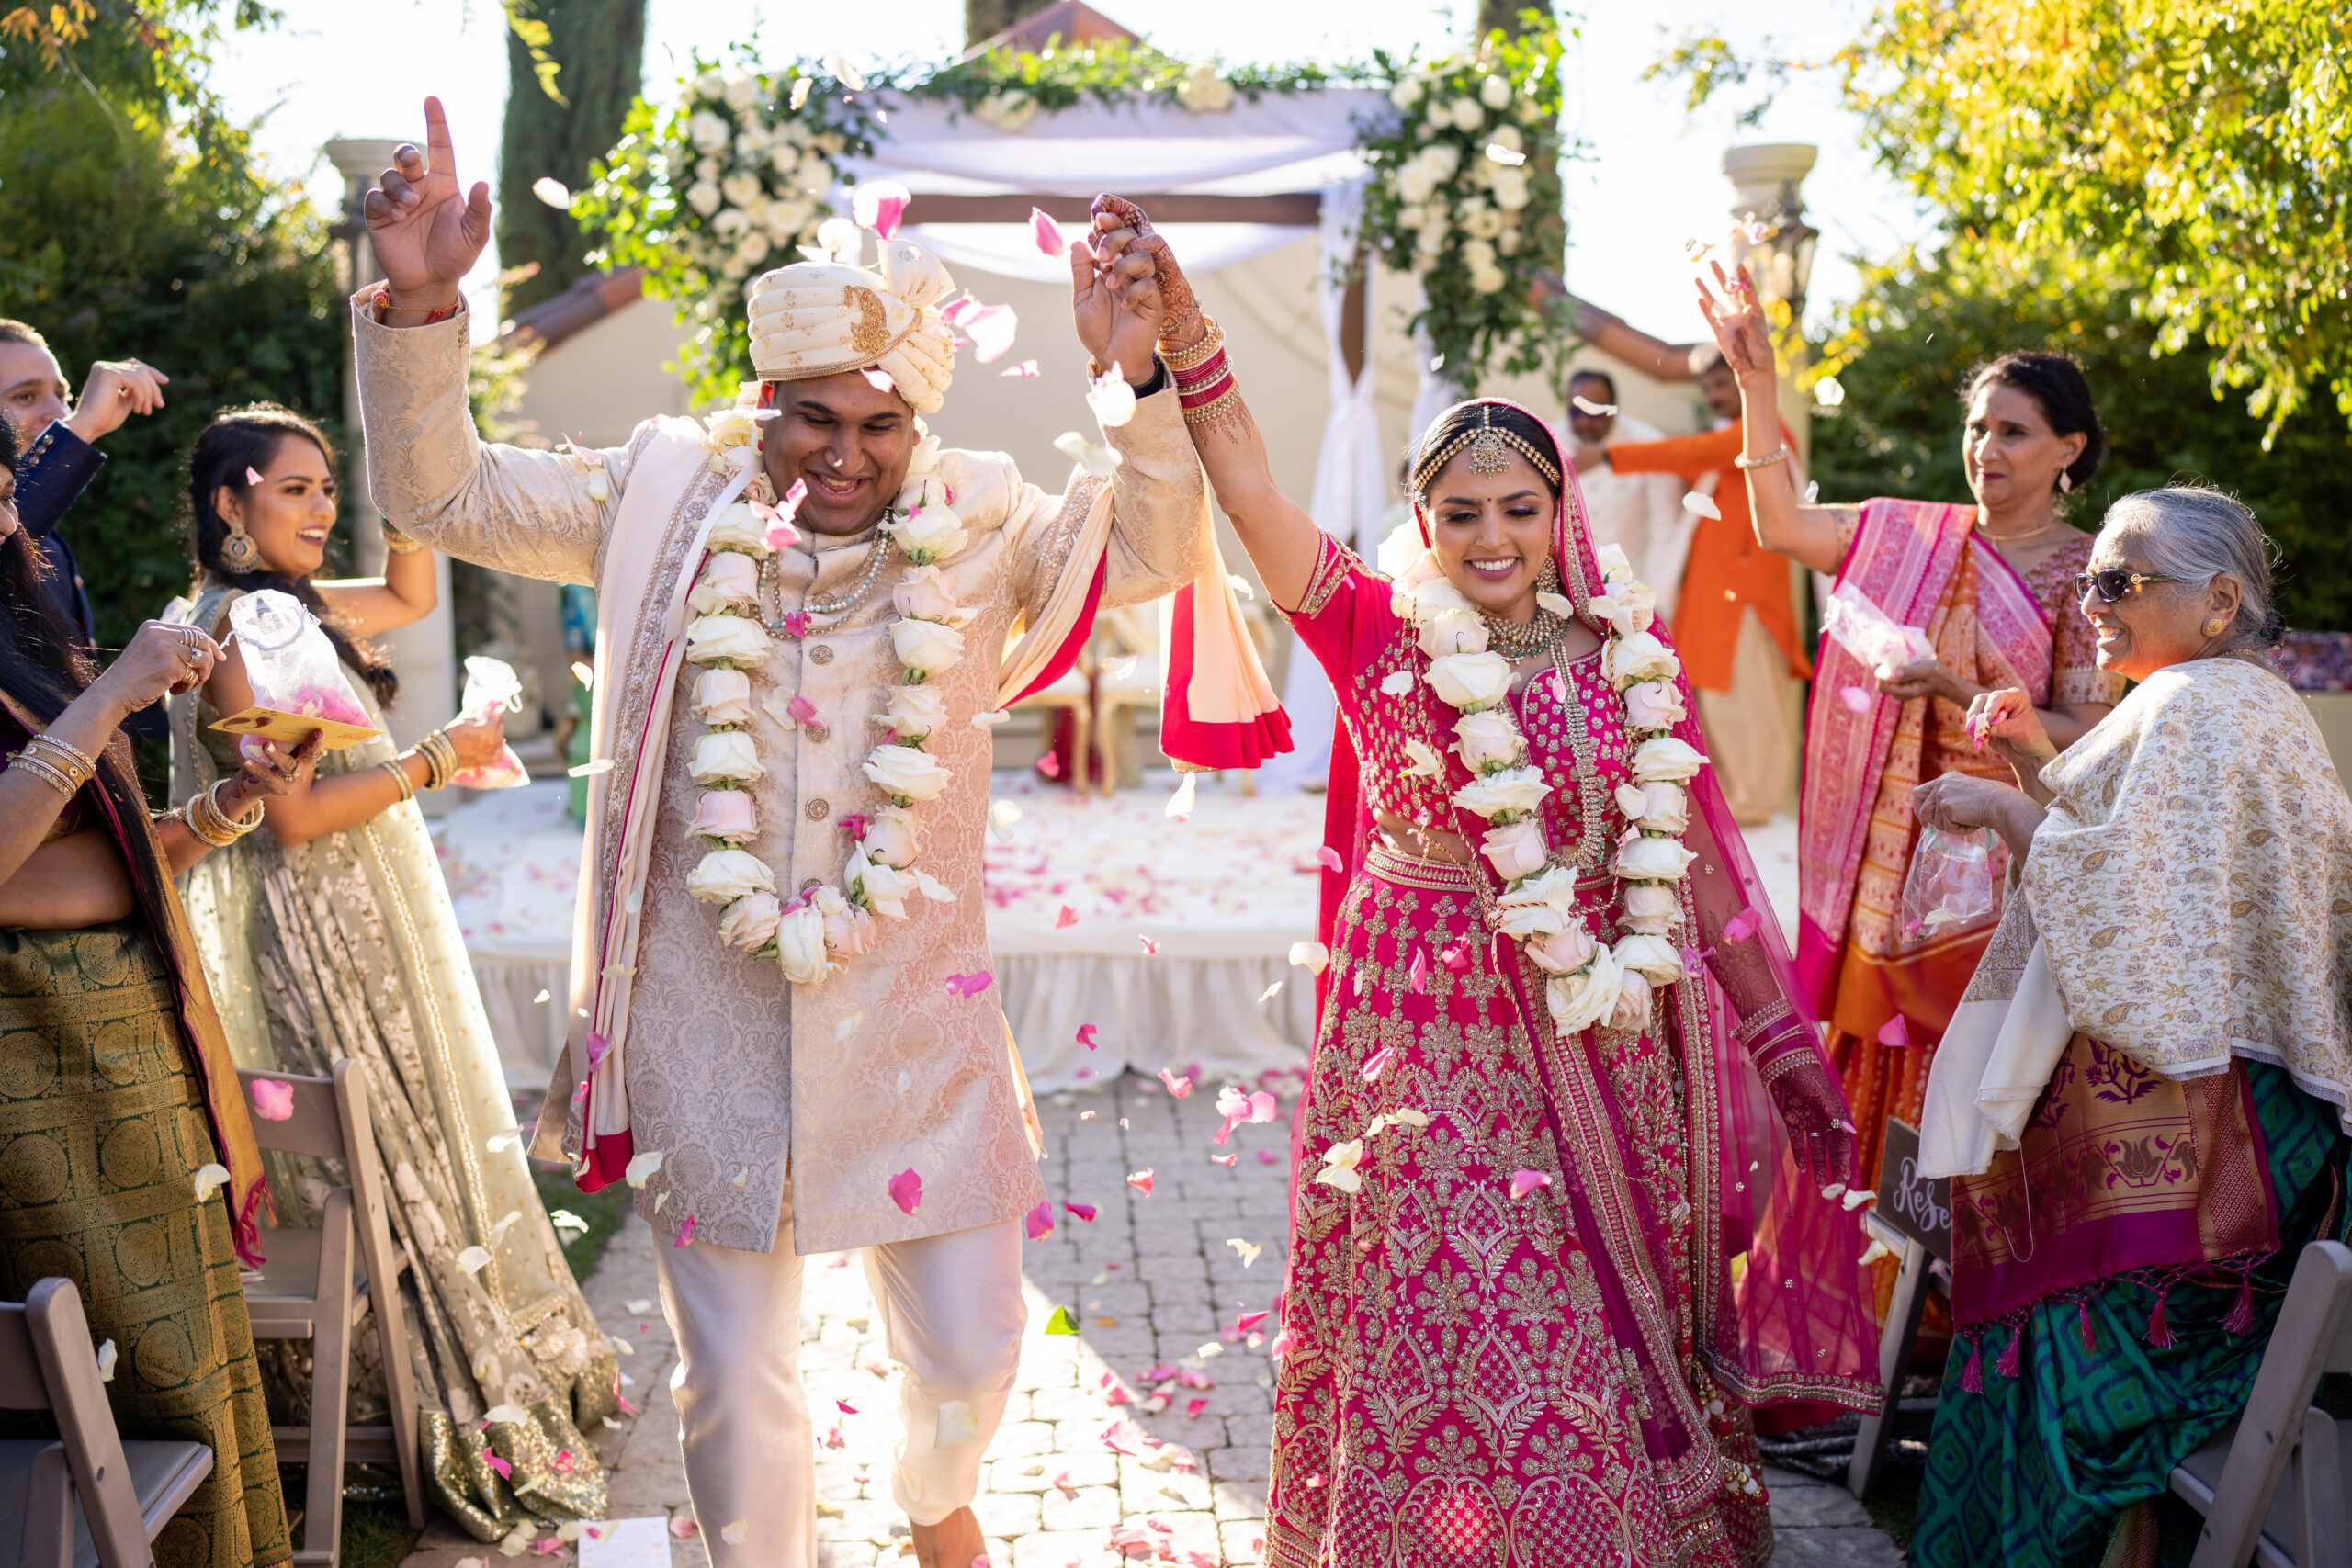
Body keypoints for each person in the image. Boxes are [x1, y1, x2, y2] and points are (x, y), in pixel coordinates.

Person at [350, 102, 1280, 1567]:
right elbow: (440, 489)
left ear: (917, 426)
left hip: (917, 1020)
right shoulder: (657, 498)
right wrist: (419, 309)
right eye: (814, 419)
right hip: (708, 1021)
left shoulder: (982, 520)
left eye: (878, 424)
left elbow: (1159, 548)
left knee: (974, 1352)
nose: (845, 455)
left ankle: (932, 1495)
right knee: (736, 1380)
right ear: (763, 402)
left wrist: (1130, 373)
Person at [1096, 198, 1882, 1565]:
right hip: (1425, 1033)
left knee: (1586, 1305)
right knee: (1450, 1302)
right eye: (1460, 512)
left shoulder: (1621, 657)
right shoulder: (1373, 627)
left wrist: (1773, 1036)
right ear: (1423, 521)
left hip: (1600, 1031)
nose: (1492, 534)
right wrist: (1184, 332)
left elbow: (1692, 858)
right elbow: (1249, 490)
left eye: (1519, 507)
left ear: (1561, 512)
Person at [164, 402, 620, 1540]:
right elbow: (296, 817)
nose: (321, 507)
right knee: (384, 1143)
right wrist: (440, 757)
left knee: (406, 1130)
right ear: (229, 503)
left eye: (328, 487)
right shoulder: (248, 624)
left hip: (356, 912)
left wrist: (410, 494)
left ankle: (422, 1378)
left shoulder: (275, 608)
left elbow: (413, 597)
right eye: (295, 489)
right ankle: (420, 1397)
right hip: (323, 927)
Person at [1908, 484, 2352, 1564]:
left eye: (2117, 580)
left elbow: (2125, 901)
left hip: (2207, 1135)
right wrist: (2032, 768)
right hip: (2257, 1123)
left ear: (2219, 601)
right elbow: (2132, 865)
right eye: (2085, 578)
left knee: (2067, 1306)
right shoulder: (2242, 700)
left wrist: (2004, 808)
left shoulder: (2194, 705)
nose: (2090, 602)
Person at [1696, 265, 2123, 1209]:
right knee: (1882, 1063)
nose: (1985, 447)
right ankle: (1880, 1274)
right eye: (1976, 427)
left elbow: (2088, 732)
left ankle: (1972, 1271)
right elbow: (1780, 526)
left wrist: (1952, 689)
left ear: (2069, 449)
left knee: (1981, 1063)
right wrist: (1760, 385)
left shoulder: (2086, 572)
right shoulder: (1915, 538)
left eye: (2012, 431)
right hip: (1895, 861)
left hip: (2007, 860)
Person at [0, 412, 311, 1568]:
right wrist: (114, 695)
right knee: (112, 1370)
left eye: (3, 494)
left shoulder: (19, 635)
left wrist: (234, 802)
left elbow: (118, 855)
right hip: (37, 1062)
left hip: (127, 1045)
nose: (4, 523)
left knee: (183, 1358)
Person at [1569, 350, 1809, 825]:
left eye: (1722, 385)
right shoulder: (1730, 437)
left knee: (1746, 698)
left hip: (1743, 595)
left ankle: (1753, 801)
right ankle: (1735, 798)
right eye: (1708, 388)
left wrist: (1608, 456)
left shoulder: (1763, 434)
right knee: (1709, 697)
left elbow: (1687, 453)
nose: (1713, 395)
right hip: (1711, 591)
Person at [0, 318, 170, 646]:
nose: (59, 412)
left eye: (62, 395)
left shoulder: (49, 540)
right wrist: (85, 425)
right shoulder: (23, 527)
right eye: (25, 396)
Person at [1556, 367, 1690, 616]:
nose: (1584, 422)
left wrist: (1653, 606)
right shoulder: (1548, 442)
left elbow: (1665, 533)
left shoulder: (1650, 445)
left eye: (1595, 413)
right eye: (1576, 412)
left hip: (1630, 598)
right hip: (1564, 600)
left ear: (1613, 409)